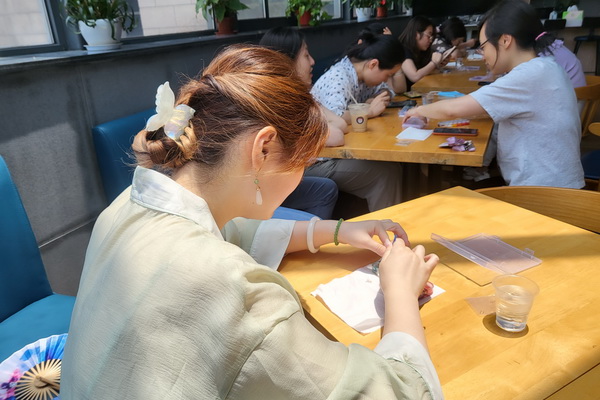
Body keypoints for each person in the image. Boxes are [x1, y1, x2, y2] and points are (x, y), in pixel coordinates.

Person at [61, 45, 442, 399]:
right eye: (303, 162)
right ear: (262, 149)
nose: (301, 175)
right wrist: (399, 292)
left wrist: (338, 230)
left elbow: (233, 233)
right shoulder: (235, 290)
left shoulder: (130, 202)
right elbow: (397, 392)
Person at [404, 0, 585, 189]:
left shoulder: (528, 75)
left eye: (483, 47)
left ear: (505, 41)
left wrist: (418, 111)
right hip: (559, 185)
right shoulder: (547, 65)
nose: (483, 55)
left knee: (451, 197)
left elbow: (453, 110)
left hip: (542, 193)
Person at [270, 28, 405, 211]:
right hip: (305, 165)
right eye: (306, 55)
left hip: (316, 159)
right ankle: (386, 226)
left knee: (388, 168)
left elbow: (340, 123)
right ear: (286, 61)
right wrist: (368, 111)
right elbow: (336, 133)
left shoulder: (300, 94)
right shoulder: (284, 99)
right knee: (385, 172)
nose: (313, 62)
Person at [398, 15, 445, 91]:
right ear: (416, 34)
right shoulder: (402, 49)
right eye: (428, 36)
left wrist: (440, 63)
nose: (430, 40)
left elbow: (426, 71)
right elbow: (414, 76)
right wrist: (434, 63)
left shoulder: (421, 50)